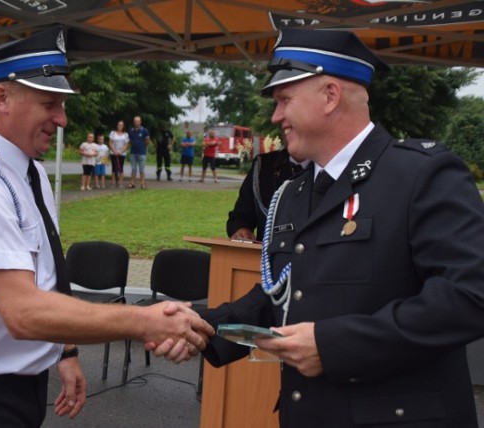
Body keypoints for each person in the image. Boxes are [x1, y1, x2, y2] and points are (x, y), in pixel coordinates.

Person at [151, 28, 484, 427]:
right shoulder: (294, 192)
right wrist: (203, 325)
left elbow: (468, 298)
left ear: (330, 96)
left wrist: (332, 346)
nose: (276, 117)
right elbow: (285, 293)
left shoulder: (421, 174)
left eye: (284, 100)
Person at [0, 26, 214, 428]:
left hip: (17, 383)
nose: (62, 119)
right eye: (49, 103)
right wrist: (145, 321)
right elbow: (23, 312)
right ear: (2, 98)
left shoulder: (23, 170)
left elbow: (46, 274)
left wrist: (65, 353)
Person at [226, 146, 308, 241]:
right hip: (266, 253)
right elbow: (240, 217)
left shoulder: (326, 169)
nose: (287, 130)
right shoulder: (263, 166)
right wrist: (241, 230)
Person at [127, 115, 149, 189]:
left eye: (138, 121)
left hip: (142, 153)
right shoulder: (131, 131)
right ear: (134, 122)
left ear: (140, 122)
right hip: (133, 152)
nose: (137, 122)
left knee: (142, 169)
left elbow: (147, 141)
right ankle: (132, 183)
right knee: (133, 169)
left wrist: (142, 147)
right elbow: (129, 141)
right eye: (135, 121)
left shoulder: (144, 130)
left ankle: (142, 184)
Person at [109, 120, 129, 188]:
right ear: (117, 125)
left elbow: (126, 144)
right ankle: (113, 183)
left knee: (121, 168)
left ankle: (120, 183)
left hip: (122, 154)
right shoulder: (113, 133)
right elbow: (110, 142)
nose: (120, 126)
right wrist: (114, 151)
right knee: (114, 168)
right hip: (113, 153)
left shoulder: (126, 134)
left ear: (123, 126)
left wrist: (121, 151)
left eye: (121, 125)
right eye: (118, 125)